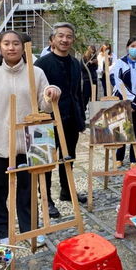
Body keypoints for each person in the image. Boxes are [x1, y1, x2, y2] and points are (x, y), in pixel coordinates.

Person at [0, 30, 60, 245]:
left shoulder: (37, 73)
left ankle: (30, 228)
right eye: (6, 43)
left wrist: (51, 94)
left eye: (16, 43)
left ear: (24, 47)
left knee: (28, 189)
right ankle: (2, 231)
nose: (11, 47)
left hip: (28, 141)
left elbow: (45, 108)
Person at [35, 22, 87, 218]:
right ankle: (46, 200)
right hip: (47, 120)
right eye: (61, 36)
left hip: (71, 119)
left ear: (73, 40)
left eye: (69, 36)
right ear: (52, 40)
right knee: (46, 161)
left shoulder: (75, 63)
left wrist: (80, 118)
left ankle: (67, 191)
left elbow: (78, 93)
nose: (65, 40)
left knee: (68, 157)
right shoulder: (42, 65)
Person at [112, 37, 136, 166]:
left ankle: (134, 158)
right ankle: (119, 157)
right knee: (122, 129)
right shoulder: (120, 63)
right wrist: (132, 100)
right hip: (123, 101)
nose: (135, 48)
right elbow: (119, 83)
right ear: (127, 47)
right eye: (132, 46)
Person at [81, 45, 98, 111]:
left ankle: (93, 110)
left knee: (94, 96)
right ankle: (83, 110)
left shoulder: (95, 58)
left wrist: (95, 63)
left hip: (94, 79)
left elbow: (96, 68)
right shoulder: (84, 58)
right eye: (91, 50)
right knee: (85, 96)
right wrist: (88, 63)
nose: (92, 52)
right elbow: (82, 68)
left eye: (93, 51)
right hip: (87, 79)